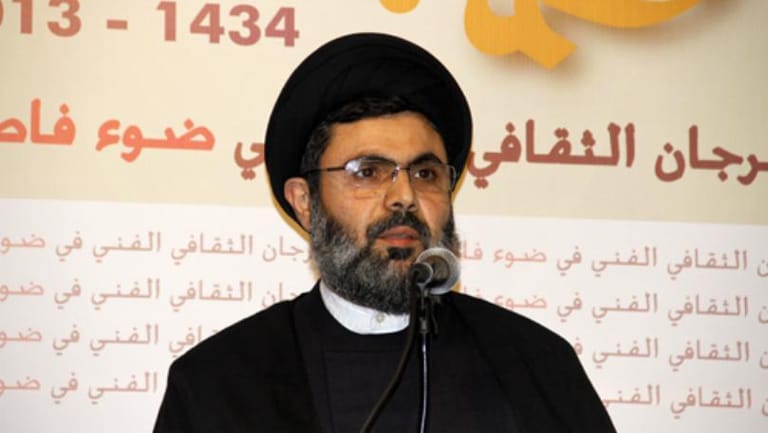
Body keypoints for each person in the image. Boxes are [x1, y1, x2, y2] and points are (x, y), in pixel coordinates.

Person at [153, 32, 616, 433]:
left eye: (426, 174)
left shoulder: (535, 363)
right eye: (368, 172)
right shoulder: (218, 381)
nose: (404, 197)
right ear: (305, 201)